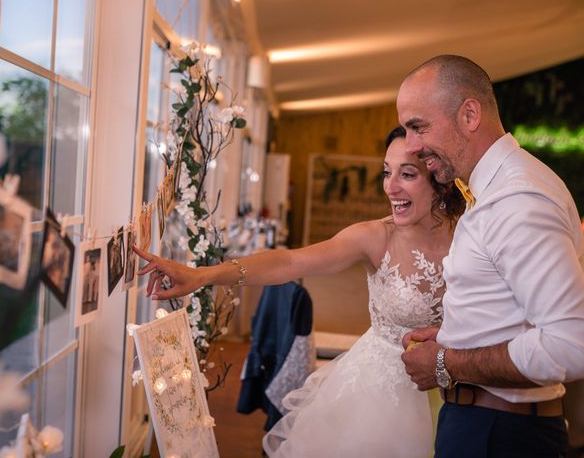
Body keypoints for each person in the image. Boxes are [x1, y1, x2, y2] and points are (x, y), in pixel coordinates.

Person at [134, 126, 464, 457]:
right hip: (378, 399)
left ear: (441, 179)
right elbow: (290, 262)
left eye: (407, 174)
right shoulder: (377, 237)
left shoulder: (471, 240)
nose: (390, 187)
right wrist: (202, 275)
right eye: (386, 172)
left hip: (463, 390)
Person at [398, 55, 584, 457]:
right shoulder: (495, 189)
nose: (412, 146)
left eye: (418, 127)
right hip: (491, 426)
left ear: (469, 114)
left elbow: (570, 344)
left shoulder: (517, 199)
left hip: (502, 434)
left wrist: (448, 362)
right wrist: (458, 336)